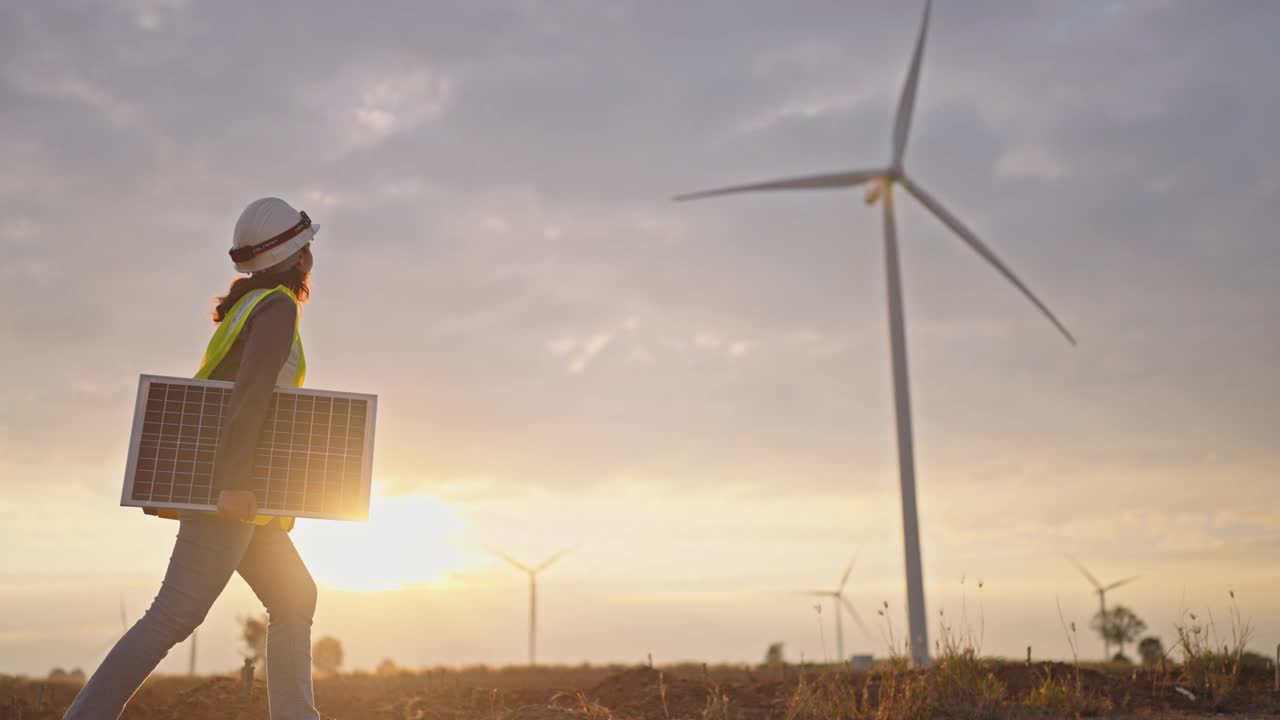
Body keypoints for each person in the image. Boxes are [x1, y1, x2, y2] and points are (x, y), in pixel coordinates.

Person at [66, 198, 323, 720]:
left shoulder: (249, 306)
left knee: (295, 597)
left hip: (248, 492)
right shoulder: (276, 307)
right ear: (298, 256)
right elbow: (248, 395)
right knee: (174, 615)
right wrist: (233, 483)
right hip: (233, 490)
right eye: (309, 247)